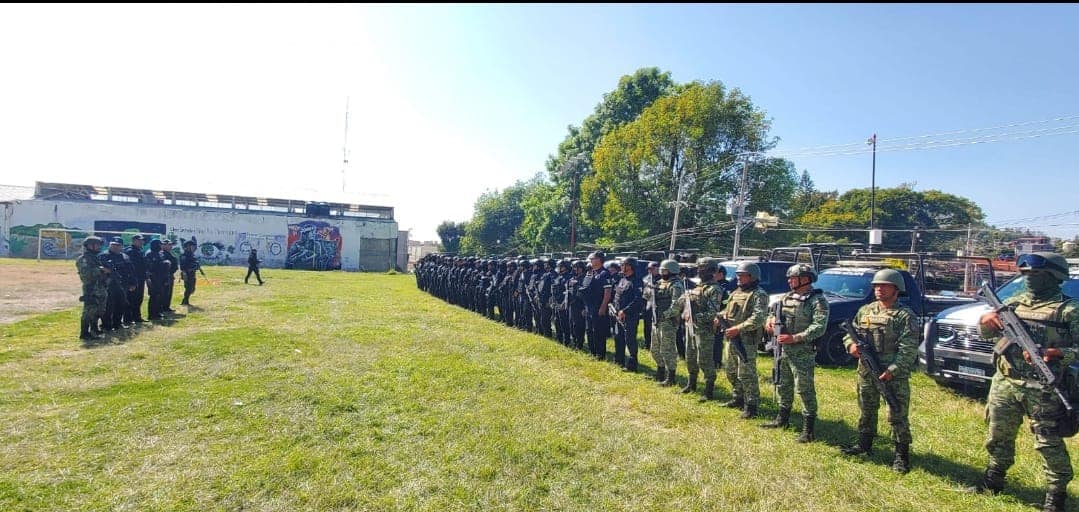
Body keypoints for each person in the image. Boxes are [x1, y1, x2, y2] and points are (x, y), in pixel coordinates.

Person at [977, 252, 1079, 511]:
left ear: (1054, 277)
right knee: (998, 434)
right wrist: (986, 323)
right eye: (1026, 275)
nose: (1029, 280)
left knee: (1048, 441)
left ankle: (1055, 497)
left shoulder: (1069, 309)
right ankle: (993, 479)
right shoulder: (1011, 303)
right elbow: (987, 334)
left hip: (1044, 387)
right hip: (1006, 380)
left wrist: (1059, 354)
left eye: (1036, 275)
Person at [840, 268, 919, 474]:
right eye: (876, 286)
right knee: (866, 408)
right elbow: (851, 333)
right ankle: (864, 444)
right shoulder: (866, 310)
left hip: (892, 374)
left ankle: (901, 456)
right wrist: (851, 346)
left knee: (896, 413)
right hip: (866, 370)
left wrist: (893, 369)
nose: (879, 289)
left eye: (884, 286)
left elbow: (908, 348)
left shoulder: (905, 315)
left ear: (896, 289)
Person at [762, 264, 829, 442]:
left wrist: (796, 338)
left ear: (805, 279)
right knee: (784, 384)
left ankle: (808, 429)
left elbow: (819, 327)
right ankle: (782, 418)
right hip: (783, 349)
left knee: (804, 389)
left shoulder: (817, 300)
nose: (789, 281)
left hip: (802, 351)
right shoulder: (787, 297)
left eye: (793, 278)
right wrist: (769, 322)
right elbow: (773, 313)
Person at [719, 261, 769, 419]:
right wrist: (721, 316)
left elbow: (758, 318)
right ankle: (738, 398)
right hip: (732, 337)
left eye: (742, 276)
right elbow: (728, 310)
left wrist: (738, 329)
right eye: (738, 275)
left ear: (752, 277)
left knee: (747, 374)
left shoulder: (759, 294)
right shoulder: (735, 292)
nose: (738, 278)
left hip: (747, 340)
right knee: (731, 371)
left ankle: (752, 405)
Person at [676, 258, 725, 401]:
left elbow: (713, 312)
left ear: (710, 271)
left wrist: (696, 317)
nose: (699, 271)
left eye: (702, 269)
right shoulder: (696, 287)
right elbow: (685, 305)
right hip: (690, 327)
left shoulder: (714, 289)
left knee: (704, 359)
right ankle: (692, 384)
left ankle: (709, 390)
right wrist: (684, 312)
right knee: (690, 356)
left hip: (705, 330)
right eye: (699, 269)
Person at [652, 259, 686, 385]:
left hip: (668, 322)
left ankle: (671, 377)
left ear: (671, 271)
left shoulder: (676, 285)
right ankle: (660, 372)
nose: (662, 272)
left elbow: (676, 305)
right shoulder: (659, 283)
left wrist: (664, 315)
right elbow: (649, 298)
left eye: (664, 270)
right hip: (656, 320)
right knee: (655, 349)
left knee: (667, 349)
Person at [612, 257, 644, 371]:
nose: (622, 267)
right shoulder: (622, 279)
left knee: (630, 339)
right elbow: (617, 295)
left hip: (629, 315)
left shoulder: (636, 281)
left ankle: (632, 364)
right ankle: (619, 360)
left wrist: (625, 311)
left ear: (630, 266)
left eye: (624, 265)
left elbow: (638, 300)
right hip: (618, 314)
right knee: (618, 338)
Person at [580, 251, 613, 361]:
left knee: (598, 331)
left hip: (598, 307)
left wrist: (603, 307)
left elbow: (607, 292)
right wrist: (585, 307)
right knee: (589, 330)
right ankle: (592, 351)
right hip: (589, 306)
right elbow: (586, 290)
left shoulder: (604, 273)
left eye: (592, 259)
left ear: (599, 259)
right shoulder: (590, 273)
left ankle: (600, 354)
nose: (590, 261)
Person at [75, 236, 108, 340]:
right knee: (89, 310)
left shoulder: (96, 257)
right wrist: (100, 270)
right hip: (91, 288)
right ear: (89, 246)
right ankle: (84, 333)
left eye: (99, 245)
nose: (98, 247)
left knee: (99, 310)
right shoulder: (83, 259)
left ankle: (94, 329)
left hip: (100, 287)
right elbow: (86, 274)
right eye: (96, 245)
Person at [100, 237, 134, 330]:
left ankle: (117, 323)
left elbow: (130, 271)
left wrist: (132, 283)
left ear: (122, 246)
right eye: (113, 245)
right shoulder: (104, 256)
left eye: (118, 245)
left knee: (121, 304)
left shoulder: (125, 256)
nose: (115, 247)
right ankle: (106, 325)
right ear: (110, 245)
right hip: (109, 285)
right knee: (108, 306)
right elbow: (100, 270)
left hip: (123, 284)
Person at [144, 238, 172, 320]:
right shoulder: (150, 254)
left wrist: (166, 264)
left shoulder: (159, 253)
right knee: (154, 296)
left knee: (160, 295)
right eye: (160, 244)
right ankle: (152, 314)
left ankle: (157, 312)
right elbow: (150, 267)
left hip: (161, 277)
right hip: (154, 277)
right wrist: (164, 264)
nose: (161, 246)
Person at [123, 234, 148, 324]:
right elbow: (129, 268)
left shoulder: (139, 251)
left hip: (140, 279)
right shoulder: (130, 251)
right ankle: (127, 319)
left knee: (138, 299)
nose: (142, 242)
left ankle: (137, 317)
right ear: (134, 241)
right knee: (131, 299)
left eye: (142, 240)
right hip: (133, 279)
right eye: (139, 240)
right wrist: (131, 281)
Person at [179, 239, 205, 306]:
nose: (193, 247)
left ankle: (185, 300)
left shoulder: (191, 254)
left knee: (192, 288)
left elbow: (195, 263)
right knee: (188, 288)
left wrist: (199, 268)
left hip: (192, 273)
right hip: (187, 274)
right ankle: (185, 301)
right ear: (187, 247)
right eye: (191, 246)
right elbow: (182, 266)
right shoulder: (184, 255)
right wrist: (184, 274)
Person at [642, 261, 660, 350]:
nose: (650, 271)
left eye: (652, 269)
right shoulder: (646, 279)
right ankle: (648, 344)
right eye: (649, 269)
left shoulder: (663, 279)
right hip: (648, 304)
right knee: (647, 326)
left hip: (660, 305)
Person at [161, 239, 179, 313]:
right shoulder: (162, 254)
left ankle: (166, 307)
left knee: (169, 292)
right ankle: (162, 308)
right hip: (165, 275)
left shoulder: (169, 253)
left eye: (171, 245)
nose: (171, 246)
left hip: (170, 275)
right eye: (169, 245)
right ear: (164, 245)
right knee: (164, 292)